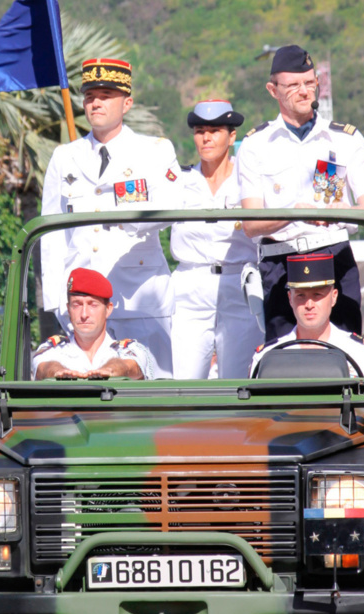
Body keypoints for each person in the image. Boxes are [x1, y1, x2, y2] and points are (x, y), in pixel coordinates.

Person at [40, 58, 183, 378]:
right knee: (86, 391)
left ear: (126, 103)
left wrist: (123, 215)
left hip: (139, 296)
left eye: (106, 96)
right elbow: (51, 234)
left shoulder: (154, 150)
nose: (96, 103)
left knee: (152, 385)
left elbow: (175, 204)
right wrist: (58, 300)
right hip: (83, 302)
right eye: (90, 96)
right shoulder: (66, 156)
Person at [237, 44, 364, 340]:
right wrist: (294, 214)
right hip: (280, 261)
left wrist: (342, 213)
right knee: (283, 353)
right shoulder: (256, 145)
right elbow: (251, 224)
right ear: (273, 90)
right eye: (293, 85)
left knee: (345, 350)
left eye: (309, 83)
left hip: (333, 254)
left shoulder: (346, 139)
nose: (304, 91)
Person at [170, 99, 262, 378]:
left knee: (239, 381)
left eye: (215, 131)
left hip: (239, 283)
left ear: (232, 137)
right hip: (190, 285)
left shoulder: (248, 181)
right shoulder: (179, 181)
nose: (206, 138)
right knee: (184, 381)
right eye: (199, 131)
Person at [250, 253, 364, 378]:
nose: (309, 304)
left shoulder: (361, 354)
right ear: (290, 298)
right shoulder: (268, 357)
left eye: (317, 295)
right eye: (301, 295)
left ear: (334, 297)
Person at [32, 267, 153, 380]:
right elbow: (43, 368)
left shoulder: (128, 349)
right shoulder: (53, 349)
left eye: (93, 305)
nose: (84, 314)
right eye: (77, 305)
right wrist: (58, 372)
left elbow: (130, 366)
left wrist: (110, 370)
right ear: (68, 309)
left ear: (108, 309)